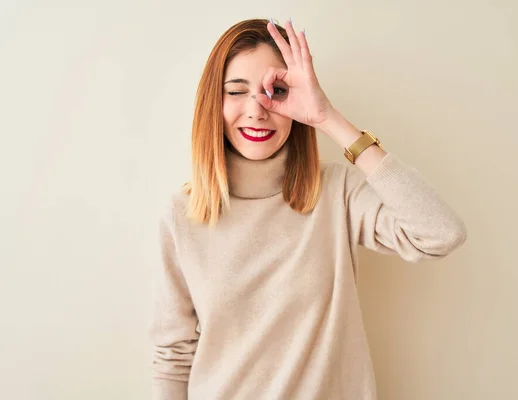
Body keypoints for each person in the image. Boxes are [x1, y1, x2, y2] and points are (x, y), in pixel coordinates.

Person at [149, 18, 467, 400]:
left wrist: (328, 118)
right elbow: (173, 358)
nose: (257, 110)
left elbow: (440, 233)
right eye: (236, 91)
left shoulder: (336, 192)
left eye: (275, 91)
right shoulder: (182, 214)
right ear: (212, 103)